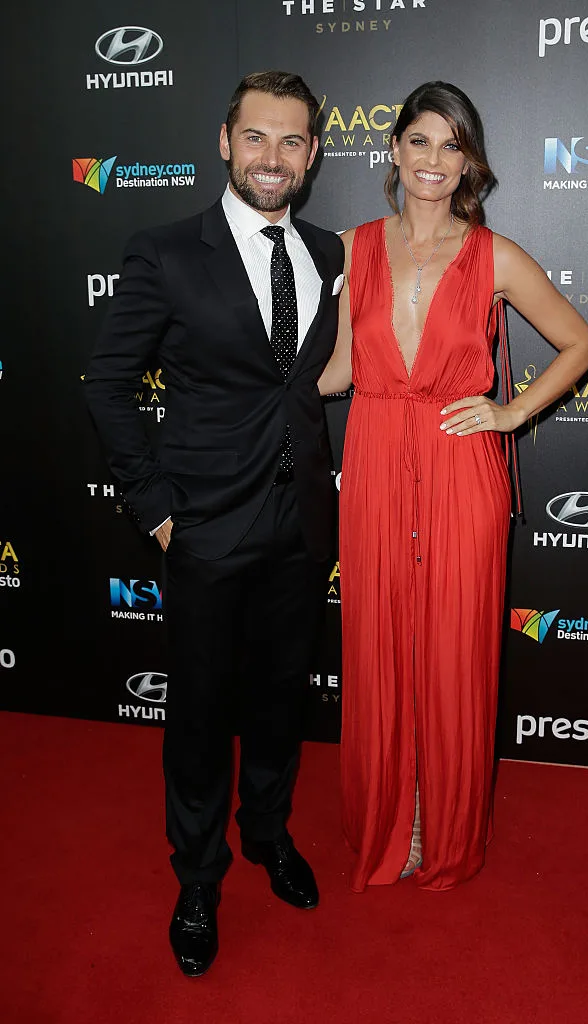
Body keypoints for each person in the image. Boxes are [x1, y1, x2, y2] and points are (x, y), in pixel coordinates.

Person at [85, 71, 345, 975]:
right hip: (202, 524)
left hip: (302, 522)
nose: (273, 158)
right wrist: (154, 508)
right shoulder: (165, 251)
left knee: (279, 697)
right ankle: (198, 877)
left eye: (292, 142)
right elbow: (106, 385)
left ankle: (266, 834)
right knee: (197, 713)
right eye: (257, 138)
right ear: (225, 142)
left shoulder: (327, 251)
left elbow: (313, 382)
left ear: (312, 155)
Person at [318, 81, 588, 892]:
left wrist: (511, 413)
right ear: (393, 149)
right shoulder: (349, 246)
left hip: (459, 468)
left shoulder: (495, 255)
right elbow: (337, 370)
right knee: (376, 649)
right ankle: (388, 825)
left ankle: (440, 834)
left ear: (469, 160)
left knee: (452, 656)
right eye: (419, 142)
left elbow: (579, 344)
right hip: (372, 464)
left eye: (451, 145)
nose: (433, 161)